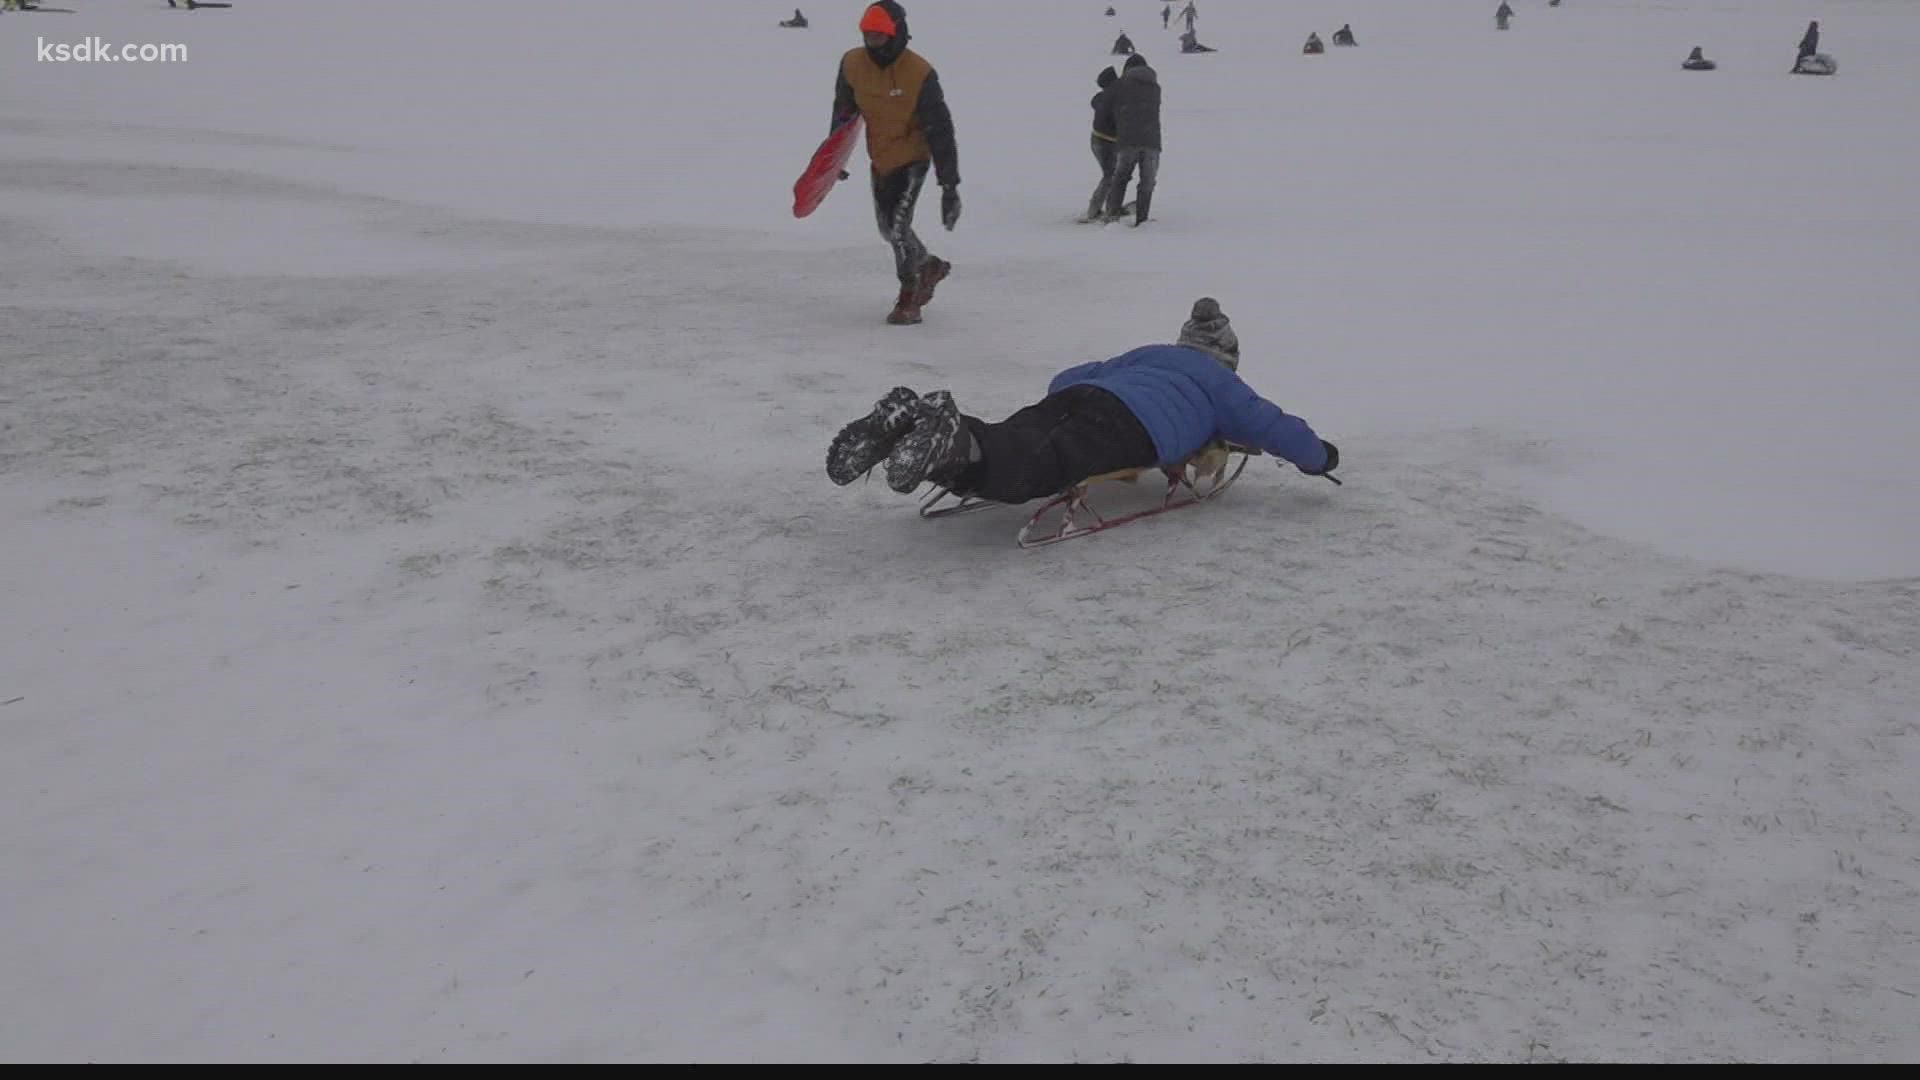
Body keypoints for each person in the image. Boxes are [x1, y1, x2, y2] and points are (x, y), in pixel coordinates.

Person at [825, 298, 1339, 500]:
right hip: (1136, 428)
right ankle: (944, 439)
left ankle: (918, 424)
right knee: (1037, 468)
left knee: (1018, 435)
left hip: (1087, 393)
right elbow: (1273, 426)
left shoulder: (1149, 356)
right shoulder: (1220, 383)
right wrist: (1320, 459)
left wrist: (1086, 391)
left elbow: (1066, 376)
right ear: (1225, 357)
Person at [831, 2, 961, 325]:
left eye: (880, 36)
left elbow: (941, 130)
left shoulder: (919, 74)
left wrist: (949, 186)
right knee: (888, 230)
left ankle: (910, 293)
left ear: (897, 34)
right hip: (881, 157)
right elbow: (844, 113)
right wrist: (834, 157)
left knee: (898, 228)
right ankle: (928, 265)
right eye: (869, 36)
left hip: (914, 158)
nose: (874, 43)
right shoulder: (852, 64)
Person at [1104, 53, 1161, 227]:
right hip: (1152, 140)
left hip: (1128, 140)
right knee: (1147, 182)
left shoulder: (1120, 85)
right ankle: (1142, 219)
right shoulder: (1155, 87)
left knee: (1120, 178)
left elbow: (1105, 105)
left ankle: (1112, 216)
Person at [1082, 67, 1121, 222]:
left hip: (1099, 140)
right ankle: (1095, 209)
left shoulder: (1101, 97)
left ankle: (1104, 206)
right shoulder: (1111, 98)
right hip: (1106, 143)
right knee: (1110, 175)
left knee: (1112, 175)